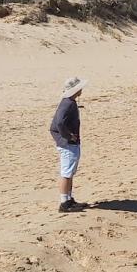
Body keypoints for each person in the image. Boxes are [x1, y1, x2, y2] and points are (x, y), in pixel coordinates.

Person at [50, 76, 88, 213]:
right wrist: (68, 136)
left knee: (69, 172)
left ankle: (68, 199)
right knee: (66, 173)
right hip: (67, 144)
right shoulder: (68, 103)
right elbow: (59, 123)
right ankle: (64, 203)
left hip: (68, 143)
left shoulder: (69, 102)